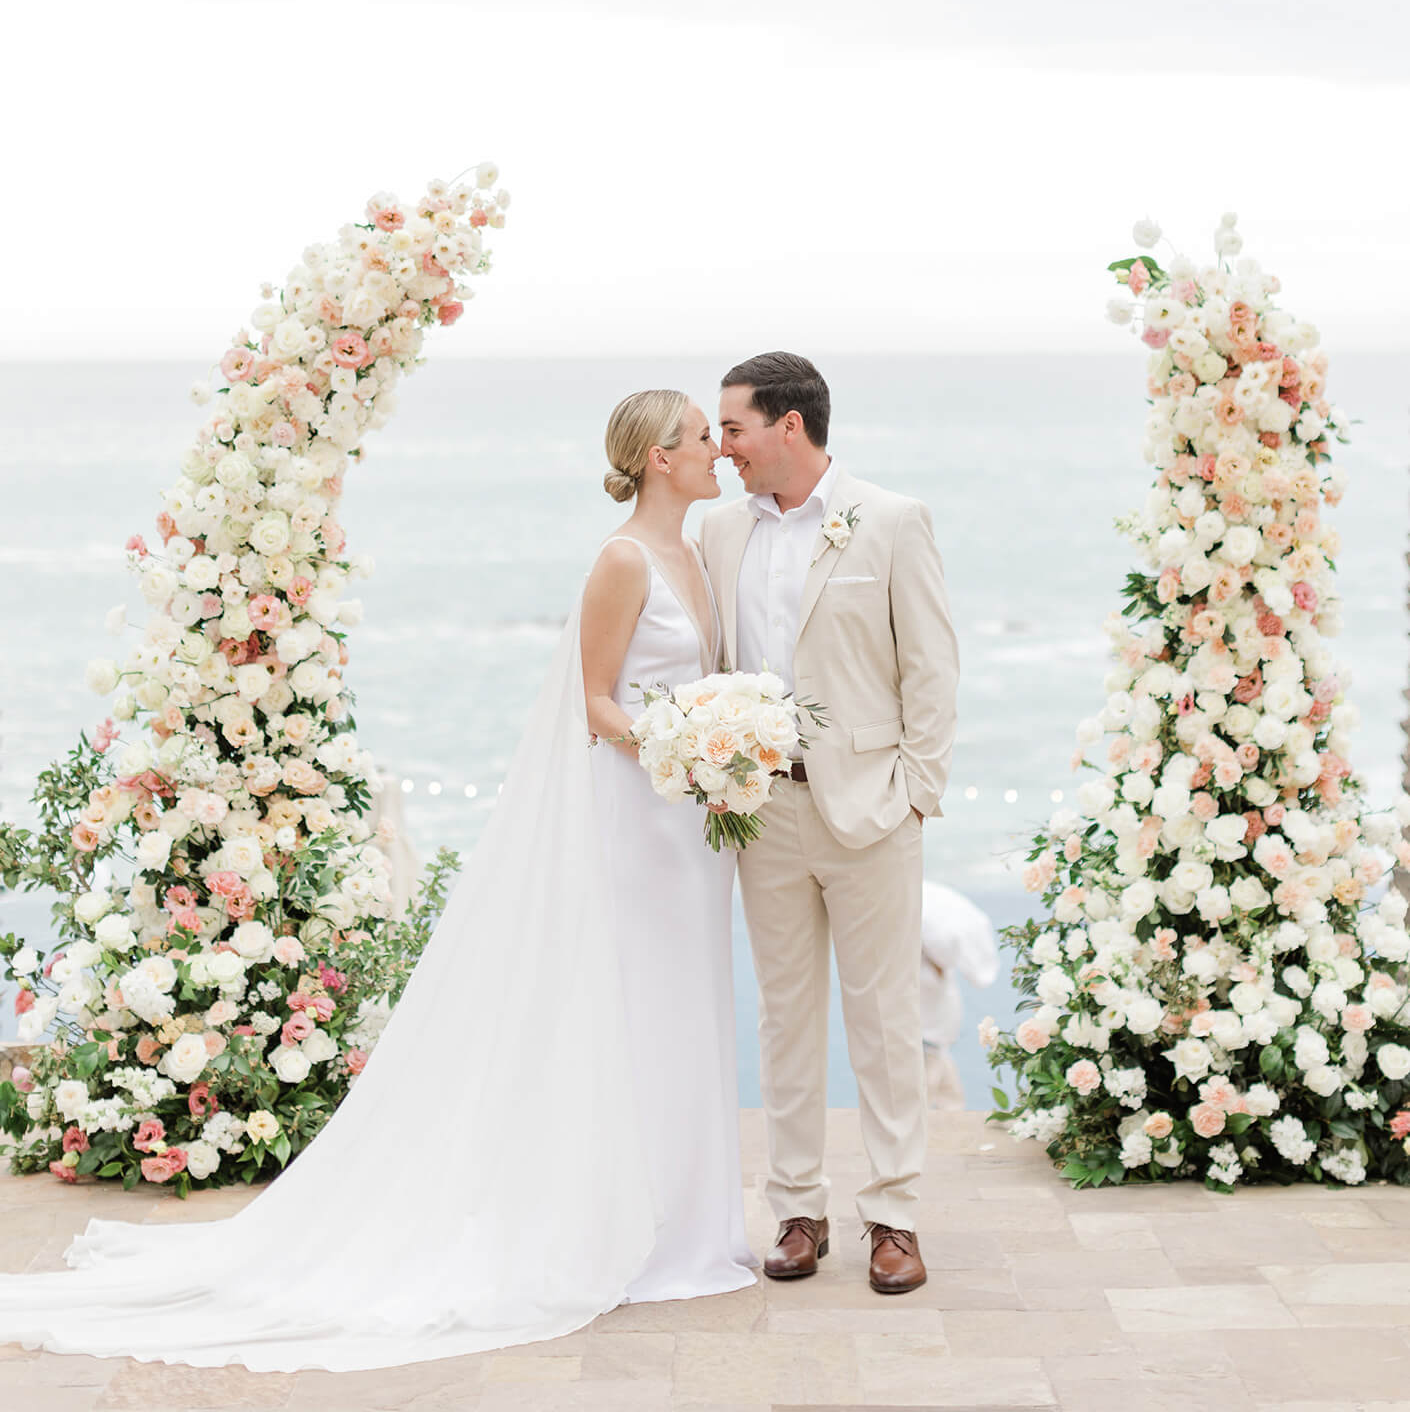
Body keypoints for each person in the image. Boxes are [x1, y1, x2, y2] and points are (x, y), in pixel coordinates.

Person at [0, 390, 755, 1373]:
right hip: (636, 819)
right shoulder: (621, 560)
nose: (717, 454)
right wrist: (677, 739)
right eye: (704, 439)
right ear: (660, 458)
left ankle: (685, 1227)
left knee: (682, 1011)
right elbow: (594, 700)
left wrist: (720, 744)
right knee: (627, 1009)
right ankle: (624, 1223)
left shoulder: (695, 556)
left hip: (685, 828)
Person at [701, 352, 960, 1295]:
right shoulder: (717, 533)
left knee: (885, 1018)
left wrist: (915, 792)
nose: (722, 446)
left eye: (733, 428)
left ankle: (894, 1216)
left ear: (789, 428)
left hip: (872, 812)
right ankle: (797, 1209)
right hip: (762, 810)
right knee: (784, 1017)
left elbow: (931, 666)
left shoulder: (891, 521)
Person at [920, 878, 999, 1111]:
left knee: (950, 1104)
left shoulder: (930, 925)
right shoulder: (929, 939)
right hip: (924, 1045)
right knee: (921, 1107)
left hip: (935, 1044)